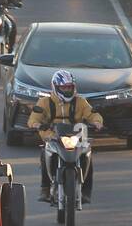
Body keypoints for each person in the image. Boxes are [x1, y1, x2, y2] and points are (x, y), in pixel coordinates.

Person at [27, 69, 103, 204]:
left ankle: (86, 192)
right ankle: (45, 188)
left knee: (88, 156)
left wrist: (97, 122)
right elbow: (34, 118)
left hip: (77, 138)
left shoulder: (81, 101)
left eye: (69, 87)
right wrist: (36, 125)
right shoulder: (44, 102)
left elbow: (92, 114)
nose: (67, 90)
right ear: (55, 87)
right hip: (53, 138)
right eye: (63, 87)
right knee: (44, 154)